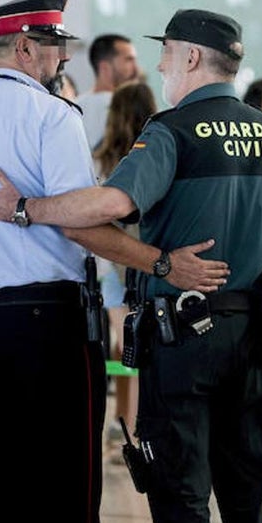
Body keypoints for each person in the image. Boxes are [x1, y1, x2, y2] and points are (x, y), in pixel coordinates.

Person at [0, 7, 262, 523]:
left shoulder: (173, 129)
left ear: (192, 57)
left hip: (183, 337)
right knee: (245, 495)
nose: (162, 63)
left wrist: (25, 208)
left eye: (167, 51)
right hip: (252, 332)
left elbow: (113, 200)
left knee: (181, 492)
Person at [0, 0, 229, 523]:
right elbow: (81, 224)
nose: (63, 58)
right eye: (55, 45)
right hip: (48, 329)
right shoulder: (52, 116)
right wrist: (163, 263)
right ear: (25, 48)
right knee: (68, 495)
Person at [91, 81, 158, 444]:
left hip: (111, 260)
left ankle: (124, 421)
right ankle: (145, 420)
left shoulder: (101, 156)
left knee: (123, 344)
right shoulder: (158, 154)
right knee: (153, 342)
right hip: (151, 259)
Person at [75, 33, 140, 148]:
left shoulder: (74, 106)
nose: (136, 69)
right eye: (128, 60)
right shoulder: (125, 108)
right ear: (105, 67)